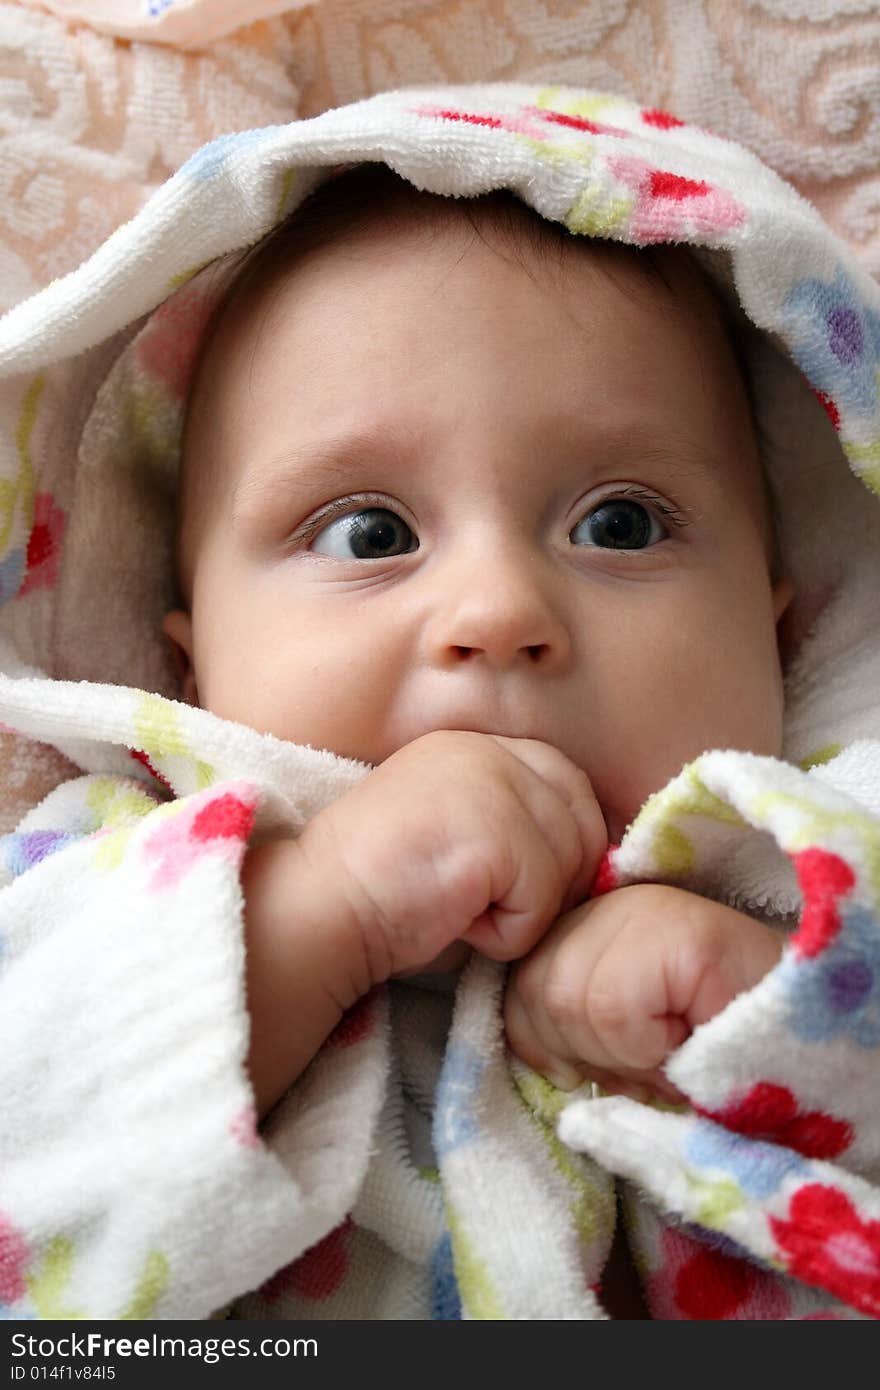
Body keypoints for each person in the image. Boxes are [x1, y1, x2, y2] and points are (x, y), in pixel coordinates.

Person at [1, 84, 879, 1321]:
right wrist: (322, 909)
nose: (497, 607)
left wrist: (775, 1025)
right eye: (370, 530)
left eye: (617, 523)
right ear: (190, 669)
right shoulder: (100, 884)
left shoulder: (829, 865)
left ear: (778, 632)